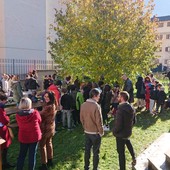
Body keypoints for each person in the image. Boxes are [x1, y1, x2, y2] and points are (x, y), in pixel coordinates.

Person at [80, 88, 104, 170]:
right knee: (96, 152)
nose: (99, 97)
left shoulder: (83, 105)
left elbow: (81, 119)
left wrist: (85, 127)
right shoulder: (96, 106)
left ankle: (86, 167)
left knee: (87, 151)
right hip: (95, 133)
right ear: (94, 96)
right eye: (99, 96)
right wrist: (101, 132)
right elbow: (99, 121)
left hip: (87, 132)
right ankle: (95, 168)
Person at [16, 97, 42, 170]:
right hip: (34, 136)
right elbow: (39, 120)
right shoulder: (35, 113)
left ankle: (19, 168)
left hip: (23, 136)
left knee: (22, 154)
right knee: (32, 155)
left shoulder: (18, 115)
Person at [113, 91, 136, 170]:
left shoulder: (120, 109)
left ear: (122, 98)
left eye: (119, 96)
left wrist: (114, 131)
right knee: (127, 142)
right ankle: (134, 157)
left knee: (121, 153)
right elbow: (134, 121)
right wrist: (128, 127)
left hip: (120, 134)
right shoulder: (132, 107)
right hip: (127, 132)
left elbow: (118, 125)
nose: (117, 98)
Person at [39, 91, 58, 170]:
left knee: (42, 146)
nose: (46, 98)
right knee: (49, 143)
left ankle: (44, 164)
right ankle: (50, 160)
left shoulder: (48, 107)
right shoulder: (54, 105)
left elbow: (40, 114)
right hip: (51, 127)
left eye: (47, 97)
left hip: (45, 128)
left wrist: (33, 111)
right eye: (45, 96)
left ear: (51, 98)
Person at [0, 93, 15, 169]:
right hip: (1, 131)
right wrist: (8, 119)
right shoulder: (0, 108)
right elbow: (5, 120)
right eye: (4, 101)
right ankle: (4, 163)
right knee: (4, 148)